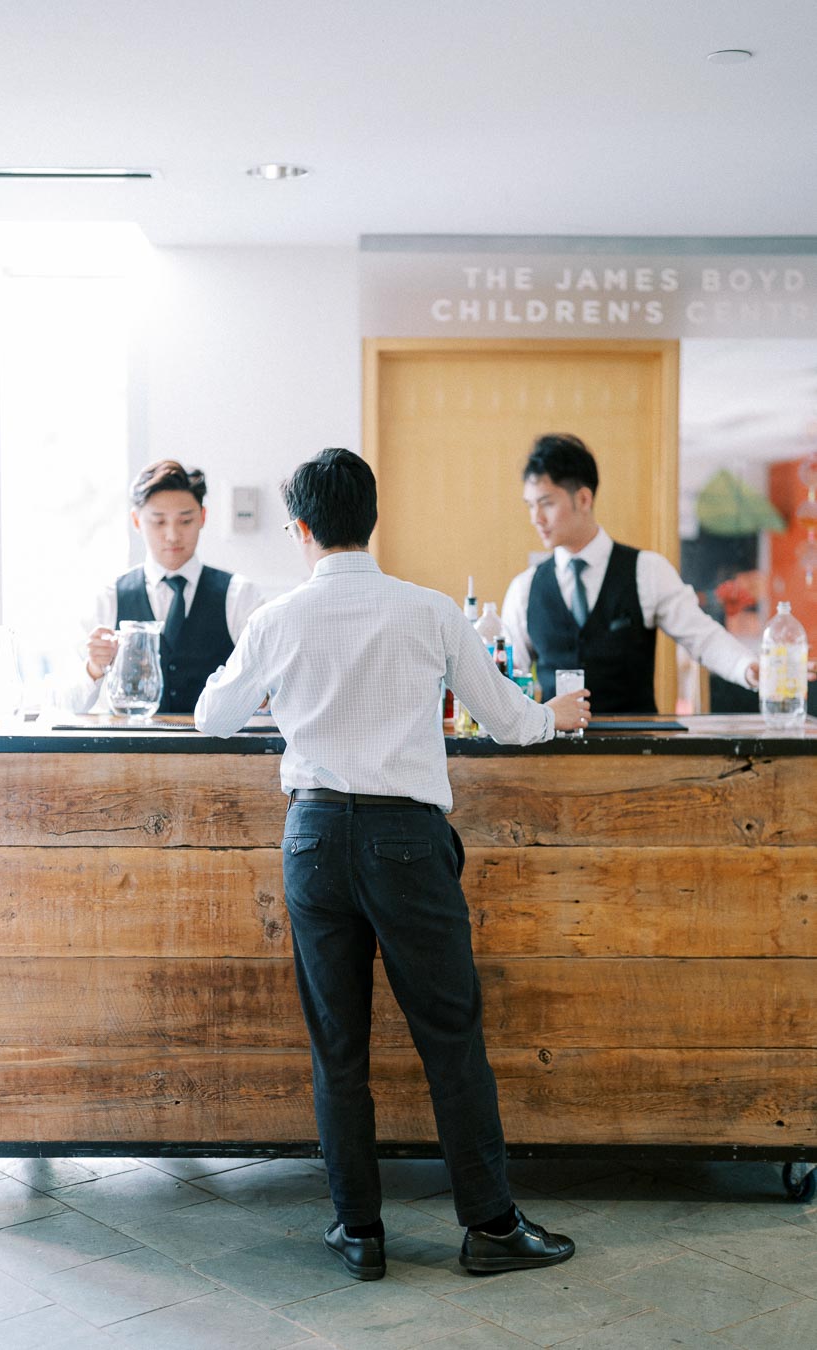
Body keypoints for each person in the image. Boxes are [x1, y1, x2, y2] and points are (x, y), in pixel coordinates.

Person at [195, 447, 588, 1281]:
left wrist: (288, 694)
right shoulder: (430, 611)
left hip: (311, 838)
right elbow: (513, 725)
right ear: (372, 519)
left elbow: (210, 717)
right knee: (450, 1038)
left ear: (300, 530)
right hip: (406, 841)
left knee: (337, 1045)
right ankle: (490, 1226)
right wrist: (555, 713)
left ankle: (359, 1232)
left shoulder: (276, 619)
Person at [503, 433, 776, 714]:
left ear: (583, 499)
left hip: (638, 749)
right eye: (530, 505)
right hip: (554, 752)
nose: (536, 518)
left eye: (546, 503)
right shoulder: (524, 589)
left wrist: (749, 667)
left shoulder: (647, 571)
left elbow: (702, 636)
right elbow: (506, 677)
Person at [63, 459, 264, 714]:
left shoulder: (240, 596)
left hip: (218, 751)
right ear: (136, 521)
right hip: (127, 751)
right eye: (158, 522)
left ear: (202, 517)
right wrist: (93, 668)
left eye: (185, 521)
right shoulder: (109, 598)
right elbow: (68, 705)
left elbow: (265, 689)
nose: (172, 535)